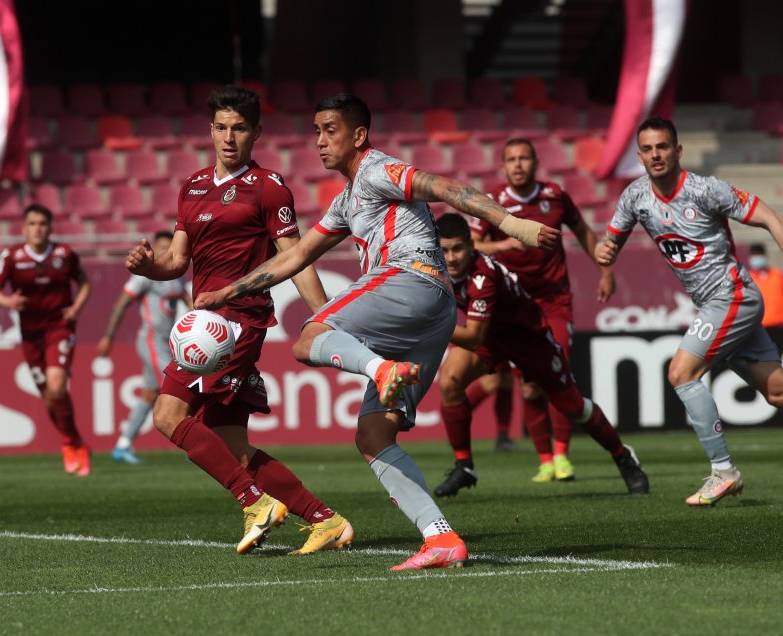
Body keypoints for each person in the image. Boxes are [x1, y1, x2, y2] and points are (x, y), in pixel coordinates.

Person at [192, 93, 559, 570]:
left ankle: (383, 369)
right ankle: (440, 538)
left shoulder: (376, 170)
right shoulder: (347, 198)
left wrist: (511, 223)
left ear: (358, 135)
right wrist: (228, 292)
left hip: (410, 278)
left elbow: (444, 187)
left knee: (307, 338)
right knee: (372, 434)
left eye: (329, 130)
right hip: (436, 312)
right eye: (316, 131)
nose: (319, 141)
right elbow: (297, 256)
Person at [124, 85, 353, 556]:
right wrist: (151, 267)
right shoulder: (190, 187)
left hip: (237, 323)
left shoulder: (269, 187)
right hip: (205, 321)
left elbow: (297, 258)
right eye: (222, 127)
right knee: (233, 446)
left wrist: (324, 314)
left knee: (167, 416)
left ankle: (254, 503)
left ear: (256, 133)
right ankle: (325, 520)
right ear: (210, 131)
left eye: (240, 128)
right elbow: (176, 261)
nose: (230, 137)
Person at [596, 116, 783, 507]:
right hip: (715, 304)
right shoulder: (635, 197)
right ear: (639, 156)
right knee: (776, 391)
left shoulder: (705, 190)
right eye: (647, 150)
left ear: (677, 150)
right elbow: (609, 241)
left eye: (662, 147)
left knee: (680, 372)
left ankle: (724, 471)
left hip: (731, 295)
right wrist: (604, 256)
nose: (655, 155)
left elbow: (765, 214)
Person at [438, 138, 616, 495]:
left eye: (524, 158)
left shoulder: (555, 195)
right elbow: (471, 245)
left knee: (555, 377)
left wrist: (605, 268)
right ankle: (545, 459)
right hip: (504, 306)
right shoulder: (493, 204)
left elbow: (582, 230)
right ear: (503, 166)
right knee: (513, 384)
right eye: (511, 159)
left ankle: (563, 455)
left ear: (536, 162)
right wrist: (503, 244)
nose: (518, 164)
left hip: (551, 302)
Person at [435, 212, 648, 496]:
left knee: (572, 407)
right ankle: (465, 466)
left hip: (529, 339)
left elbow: (473, 337)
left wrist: (429, 325)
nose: (451, 258)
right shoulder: (435, 269)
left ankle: (623, 457)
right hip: (493, 336)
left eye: (458, 248)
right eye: (445, 250)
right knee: (450, 381)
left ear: (471, 246)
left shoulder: (482, 276)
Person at [0, 204, 92, 476]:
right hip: (30, 334)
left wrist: (77, 307)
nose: (37, 229)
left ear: (50, 227)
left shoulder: (64, 254)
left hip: (59, 328)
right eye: (32, 224)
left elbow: (85, 282)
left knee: (57, 387)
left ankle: (69, 443)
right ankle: (76, 440)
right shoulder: (12, 256)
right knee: (48, 397)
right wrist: (8, 301)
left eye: (42, 224)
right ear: (24, 228)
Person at [96, 231, 190, 464]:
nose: (166, 252)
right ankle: (195, 445)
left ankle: (123, 445)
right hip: (150, 341)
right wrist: (109, 336)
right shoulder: (145, 276)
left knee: (149, 395)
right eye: (161, 247)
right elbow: (121, 303)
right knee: (178, 386)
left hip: (166, 343)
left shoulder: (175, 275)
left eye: (170, 247)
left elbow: (189, 301)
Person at [747, 244, 783, 327]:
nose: (757, 257)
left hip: (780, 323)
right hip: (760, 325)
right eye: (754, 254)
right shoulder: (749, 279)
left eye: (759, 254)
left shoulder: (778, 275)